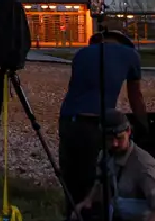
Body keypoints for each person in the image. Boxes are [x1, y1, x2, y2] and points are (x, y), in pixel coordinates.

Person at [58, 30, 148, 213]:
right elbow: (135, 96)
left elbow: (74, 89)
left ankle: (72, 215)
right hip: (95, 125)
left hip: (68, 122)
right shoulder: (131, 54)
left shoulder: (81, 54)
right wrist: (144, 126)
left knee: (72, 184)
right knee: (97, 184)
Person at [71, 110, 155, 221]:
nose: (114, 144)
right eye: (109, 139)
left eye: (119, 138)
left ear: (129, 132)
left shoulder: (143, 164)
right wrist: (85, 204)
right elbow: (99, 187)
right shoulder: (105, 155)